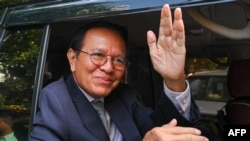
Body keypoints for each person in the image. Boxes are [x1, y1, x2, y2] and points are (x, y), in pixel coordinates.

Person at [29, 4, 209, 141]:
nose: (108, 68)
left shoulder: (124, 95)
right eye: (98, 55)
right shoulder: (55, 99)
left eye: (118, 60)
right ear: (73, 59)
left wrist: (174, 79)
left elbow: (165, 128)